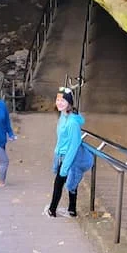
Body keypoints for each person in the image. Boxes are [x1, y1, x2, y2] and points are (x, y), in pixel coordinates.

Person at [44, 86, 93, 218]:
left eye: (63, 100)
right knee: (71, 182)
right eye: (58, 99)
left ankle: (52, 210)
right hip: (62, 155)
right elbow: (61, 140)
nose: (59, 102)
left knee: (59, 182)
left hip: (69, 157)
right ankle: (72, 210)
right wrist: (56, 157)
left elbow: (74, 145)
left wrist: (64, 166)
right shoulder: (63, 116)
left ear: (69, 103)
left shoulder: (72, 122)